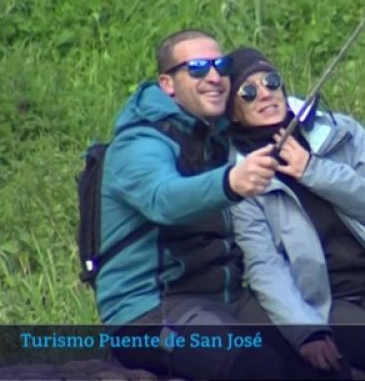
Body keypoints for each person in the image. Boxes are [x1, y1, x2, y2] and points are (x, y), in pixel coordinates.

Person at [97, 30, 335, 380]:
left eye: (220, 65)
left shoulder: (216, 133)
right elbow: (163, 198)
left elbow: (281, 105)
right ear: (168, 83)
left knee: (322, 360)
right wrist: (230, 182)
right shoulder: (139, 143)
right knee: (252, 366)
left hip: (226, 300)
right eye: (196, 68)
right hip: (148, 312)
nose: (213, 77)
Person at [226, 47, 365, 379]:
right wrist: (305, 331)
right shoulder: (243, 176)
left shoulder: (339, 133)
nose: (265, 94)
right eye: (249, 91)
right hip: (326, 298)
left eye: (271, 81)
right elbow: (263, 265)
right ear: (234, 113)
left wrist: (313, 170)